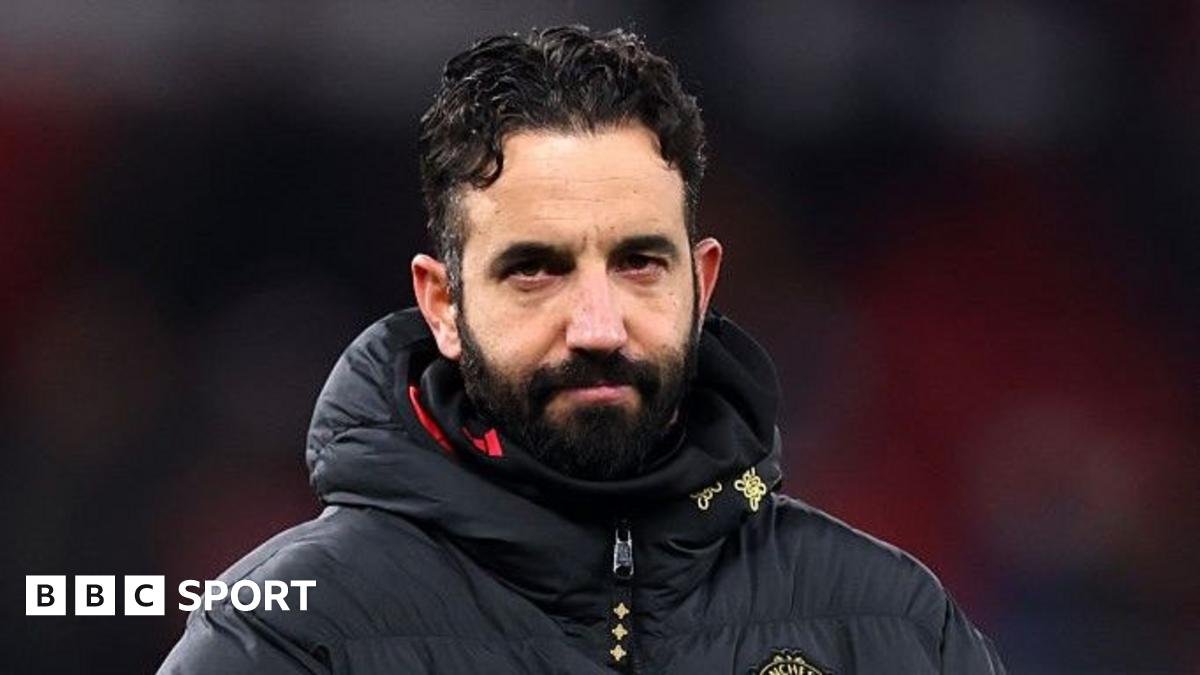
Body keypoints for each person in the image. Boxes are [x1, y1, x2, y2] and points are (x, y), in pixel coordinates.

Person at [159, 25, 1005, 674]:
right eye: (536, 269)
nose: (598, 326)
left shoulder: (892, 625)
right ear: (443, 304)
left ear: (702, 285)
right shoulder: (288, 636)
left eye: (639, 263)